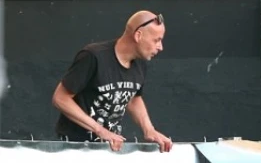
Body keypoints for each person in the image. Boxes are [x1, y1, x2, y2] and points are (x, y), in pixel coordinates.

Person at [52, 11, 172, 152]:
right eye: (156, 40)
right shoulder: (93, 56)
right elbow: (60, 99)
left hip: (110, 148)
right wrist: (100, 130)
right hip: (75, 149)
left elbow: (133, 98)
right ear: (138, 35)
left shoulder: (140, 63)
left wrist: (149, 129)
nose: (160, 47)